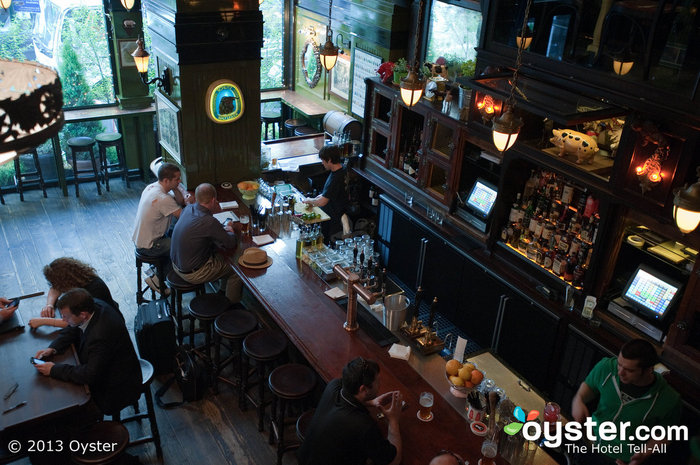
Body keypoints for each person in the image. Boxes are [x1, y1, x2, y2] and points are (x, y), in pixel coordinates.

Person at [571, 338, 681, 465]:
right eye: (619, 364)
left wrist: (644, 454)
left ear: (649, 370)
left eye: (629, 370)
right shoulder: (606, 367)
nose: (620, 372)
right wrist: (578, 400)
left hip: (621, 459)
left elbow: (665, 435)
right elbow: (590, 386)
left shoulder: (669, 399)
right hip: (589, 441)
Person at [34, 288, 141, 416]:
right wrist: (53, 348)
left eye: (65, 316)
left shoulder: (100, 336)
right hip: (112, 364)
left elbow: (90, 374)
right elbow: (74, 327)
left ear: (83, 314)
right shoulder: (92, 305)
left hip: (116, 386)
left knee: (74, 413)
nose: (63, 320)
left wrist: (53, 369)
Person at [297, 357, 403, 465]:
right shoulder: (364, 425)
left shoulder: (333, 386)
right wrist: (393, 420)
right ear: (363, 389)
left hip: (305, 458)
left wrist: (371, 402)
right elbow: (393, 461)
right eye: (377, 381)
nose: (379, 385)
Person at [170, 183, 242, 302]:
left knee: (221, 256)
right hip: (192, 273)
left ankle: (222, 291)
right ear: (213, 200)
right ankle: (231, 307)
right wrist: (231, 231)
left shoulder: (188, 208)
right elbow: (230, 243)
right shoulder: (208, 221)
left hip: (176, 264)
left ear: (197, 198)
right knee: (237, 269)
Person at [29, 257, 120, 329]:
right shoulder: (81, 278)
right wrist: (49, 305)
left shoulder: (93, 290)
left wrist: (43, 321)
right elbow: (55, 288)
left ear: (66, 281)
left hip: (104, 325)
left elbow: (76, 321)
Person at [132, 162, 192, 259]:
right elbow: (185, 217)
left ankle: (166, 266)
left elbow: (179, 201)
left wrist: (176, 188)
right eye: (177, 179)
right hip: (150, 246)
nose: (179, 181)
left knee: (175, 222)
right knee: (185, 245)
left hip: (141, 240)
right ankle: (170, 271)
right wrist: (194, 206)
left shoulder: (152, 187)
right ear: (166, 181)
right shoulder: (162, 198)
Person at [303, 144, 348, 242]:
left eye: (323, 160)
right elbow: (326, 194)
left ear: (330, 160)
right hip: (337, 211)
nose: (322, 163)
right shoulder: (342, 168)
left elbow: (322, 202)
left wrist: (309, 200)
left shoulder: (335, 179)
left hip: (333, 218)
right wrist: (317, 198)